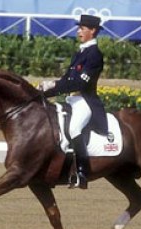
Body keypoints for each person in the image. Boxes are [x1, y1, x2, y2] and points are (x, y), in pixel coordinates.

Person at [40, 14, 108, 189]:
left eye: (82, 28)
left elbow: (79, 83)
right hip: (72, 100)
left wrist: (56, 85)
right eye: (79, 28)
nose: (78, 31)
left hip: (86, 100)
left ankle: (82, 172)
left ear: (92, 31)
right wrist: (46, 91)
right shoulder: (80, 52)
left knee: (74, 128)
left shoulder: (94, 55)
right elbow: (66, 80)